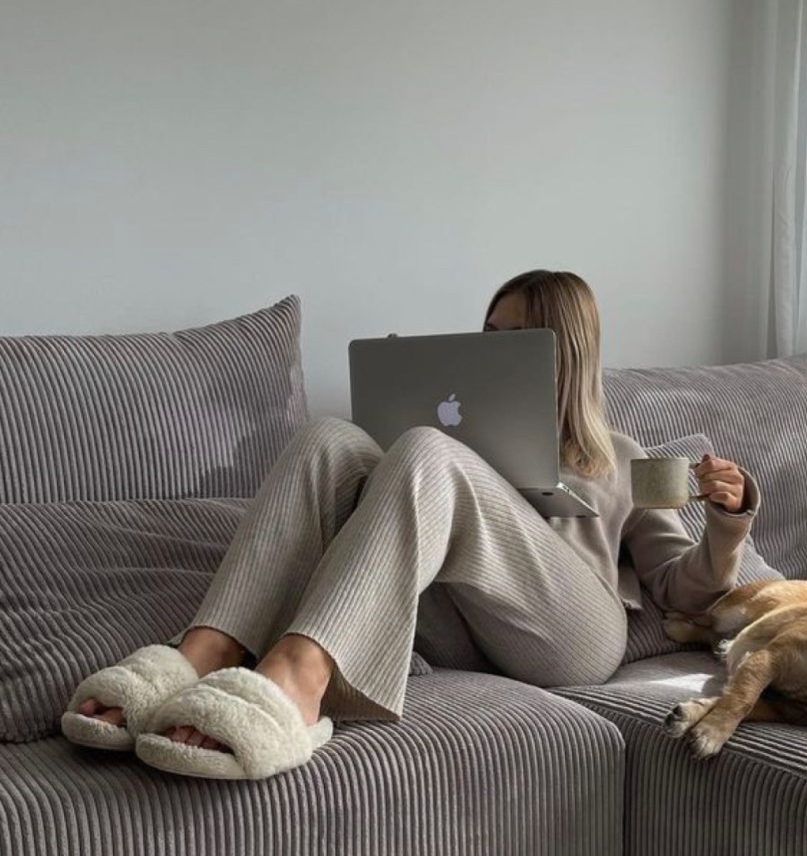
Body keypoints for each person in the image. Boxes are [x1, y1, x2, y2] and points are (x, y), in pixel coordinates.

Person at [65, 269, 758, 779]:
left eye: (518, 341)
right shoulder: (456, 444)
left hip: (569, 638)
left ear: (566, 352)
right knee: (330, 439)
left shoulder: (625, 456)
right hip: (455, 628)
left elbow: (681, 591)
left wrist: (726, 523)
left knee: (428, 447)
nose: (495, 353)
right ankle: (207, 651)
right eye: (490, 337)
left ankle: (300, 681)